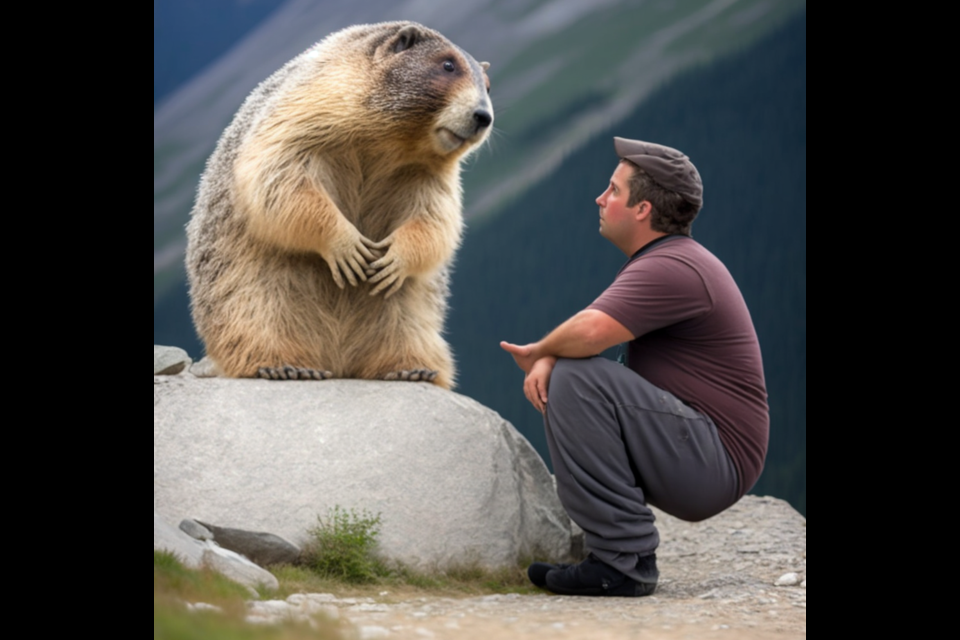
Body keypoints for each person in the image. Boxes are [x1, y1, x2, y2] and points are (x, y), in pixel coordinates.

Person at [500, 137, 769, 597]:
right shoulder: (667, 262)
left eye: (613, 191)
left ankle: (621, 562)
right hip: (703, 454)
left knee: (577, 380)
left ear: (643, 209)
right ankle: (621, 552)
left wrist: (539, 351)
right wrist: (553, 352)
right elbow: (588, 330)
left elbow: (588, 333)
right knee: (574, 372)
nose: (600, 199)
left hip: (713, 460)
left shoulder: (674, 267)